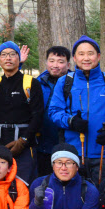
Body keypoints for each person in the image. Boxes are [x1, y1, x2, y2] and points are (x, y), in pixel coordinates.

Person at [48, 36, 105, 184]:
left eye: (90, 53)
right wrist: (71, 121)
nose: (86, 58)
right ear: (75, 58)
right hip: (72, 155)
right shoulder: (65, 82)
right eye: (81, 54)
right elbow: (54, 111)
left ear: (98, 56)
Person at [0, 41, 44, 184]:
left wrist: (24, 141)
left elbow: (38, 115)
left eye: (12, 54)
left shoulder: (30, 83)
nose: (8, 58)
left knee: (24, 182)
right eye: (4, 55)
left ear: (19, 58)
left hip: (24, 140)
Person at [36, 46, 71, 176]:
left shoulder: (74, 83)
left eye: (60, 62)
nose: (55, 65)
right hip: (41, 143)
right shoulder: (37, 83)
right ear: (46, 62)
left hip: (66, 142)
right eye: (51, 61)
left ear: (68, 64)